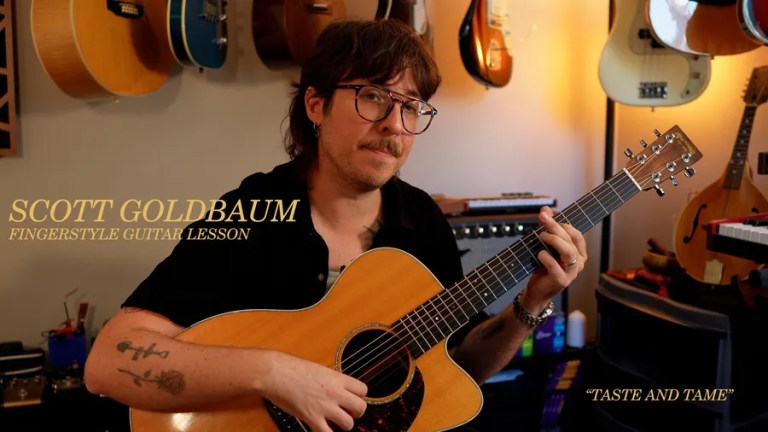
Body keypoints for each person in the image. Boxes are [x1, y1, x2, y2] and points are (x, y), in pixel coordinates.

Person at [84, 18, 587, 432]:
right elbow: (107, 363)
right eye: (373, 95)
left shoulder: (422, 223)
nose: (393, 124)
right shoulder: (251, 213)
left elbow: (460, 370)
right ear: (316, 105)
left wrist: (532, 302)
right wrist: (273, 372)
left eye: (411, 107)